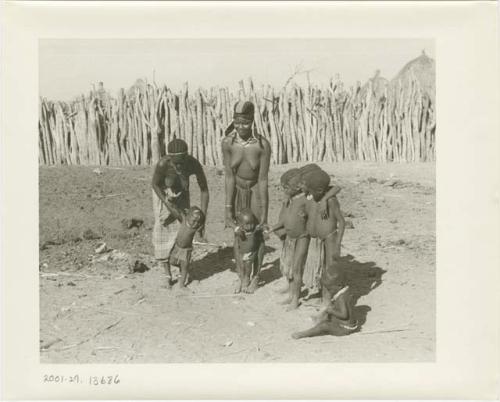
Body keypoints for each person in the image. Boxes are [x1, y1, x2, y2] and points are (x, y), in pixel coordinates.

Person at [222, 100, 271, 293]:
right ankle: (241, 275)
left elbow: (264, 179)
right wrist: (227, 209)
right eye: (237, 122)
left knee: (257, 234)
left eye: (245, 123)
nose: (241, 127)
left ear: (252, 122)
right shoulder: (227, 143)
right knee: (238, 234)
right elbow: (228, 176)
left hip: (255, 191)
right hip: (237, 192)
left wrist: (265, 214)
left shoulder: (262, 145)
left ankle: (256, 276)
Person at [151, 138, 209, 285]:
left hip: (182, 196)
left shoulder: (192, 163)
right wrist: (167, 203)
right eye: (174, 162)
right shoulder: (163, 164)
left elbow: (204, 189)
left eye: (180, 162)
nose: (178, 165)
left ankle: (182, 270)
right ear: (169, 157)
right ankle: (166, 274)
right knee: (162, 233)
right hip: (163, 196)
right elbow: (155, 184)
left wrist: (203, 217)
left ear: (186, 157)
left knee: (184, 234)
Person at [302, 167, 346, 307]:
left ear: (320, 190)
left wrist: (338, 243)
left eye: (309, 189)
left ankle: (327, 301)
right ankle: (322, 296)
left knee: (328, 269)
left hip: (330, 239)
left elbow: (342, 222)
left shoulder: (331, 201)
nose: (307, 191)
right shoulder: (312, 198)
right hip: (317, 240)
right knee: (319, 268)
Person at [268, 168, 310, 310]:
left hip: (301, 239)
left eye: (286, 187)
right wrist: (273, 228)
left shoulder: (306, 201)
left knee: (296, 270)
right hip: (289, 239)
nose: (284, 190)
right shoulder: (291, 200)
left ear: (298, 187)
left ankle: (295, 300)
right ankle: (291, 294)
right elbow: (285, 219)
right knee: (289, 268)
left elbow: (316, 216)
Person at [291, 286, 358, 339]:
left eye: (330, 288)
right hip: (347, 324)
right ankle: (317, 322)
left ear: (339, 286)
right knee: (327, 315)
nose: (329, 291)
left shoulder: (341, 298)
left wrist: (331, 311)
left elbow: (344, 315)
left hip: (345, 328)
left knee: (324, 325)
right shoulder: (345, 292)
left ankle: (304, 334)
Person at [165, 205, 206, 291]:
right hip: (177, 247)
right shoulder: (183, 220)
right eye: (194, 221)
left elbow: (200, 232)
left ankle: (182, 285)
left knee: (184, 267)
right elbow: (177, 210)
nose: (196, 224)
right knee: (171, 261)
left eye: (198, 222)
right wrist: (172, 202)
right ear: (188, 216)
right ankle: (174, 273)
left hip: (186, 250)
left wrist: (201, 234)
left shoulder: (196, 228)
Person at [233, 208, 265, 293]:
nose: (250, 226)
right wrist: (237, 230)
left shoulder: (254, 229)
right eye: (247, 224)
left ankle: (255, 277)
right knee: (242, 264)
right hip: (243, 251)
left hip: (252, 252)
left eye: (252, 224)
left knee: (248, 265)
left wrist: (260, 228)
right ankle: (242, 277)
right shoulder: (241, 230)